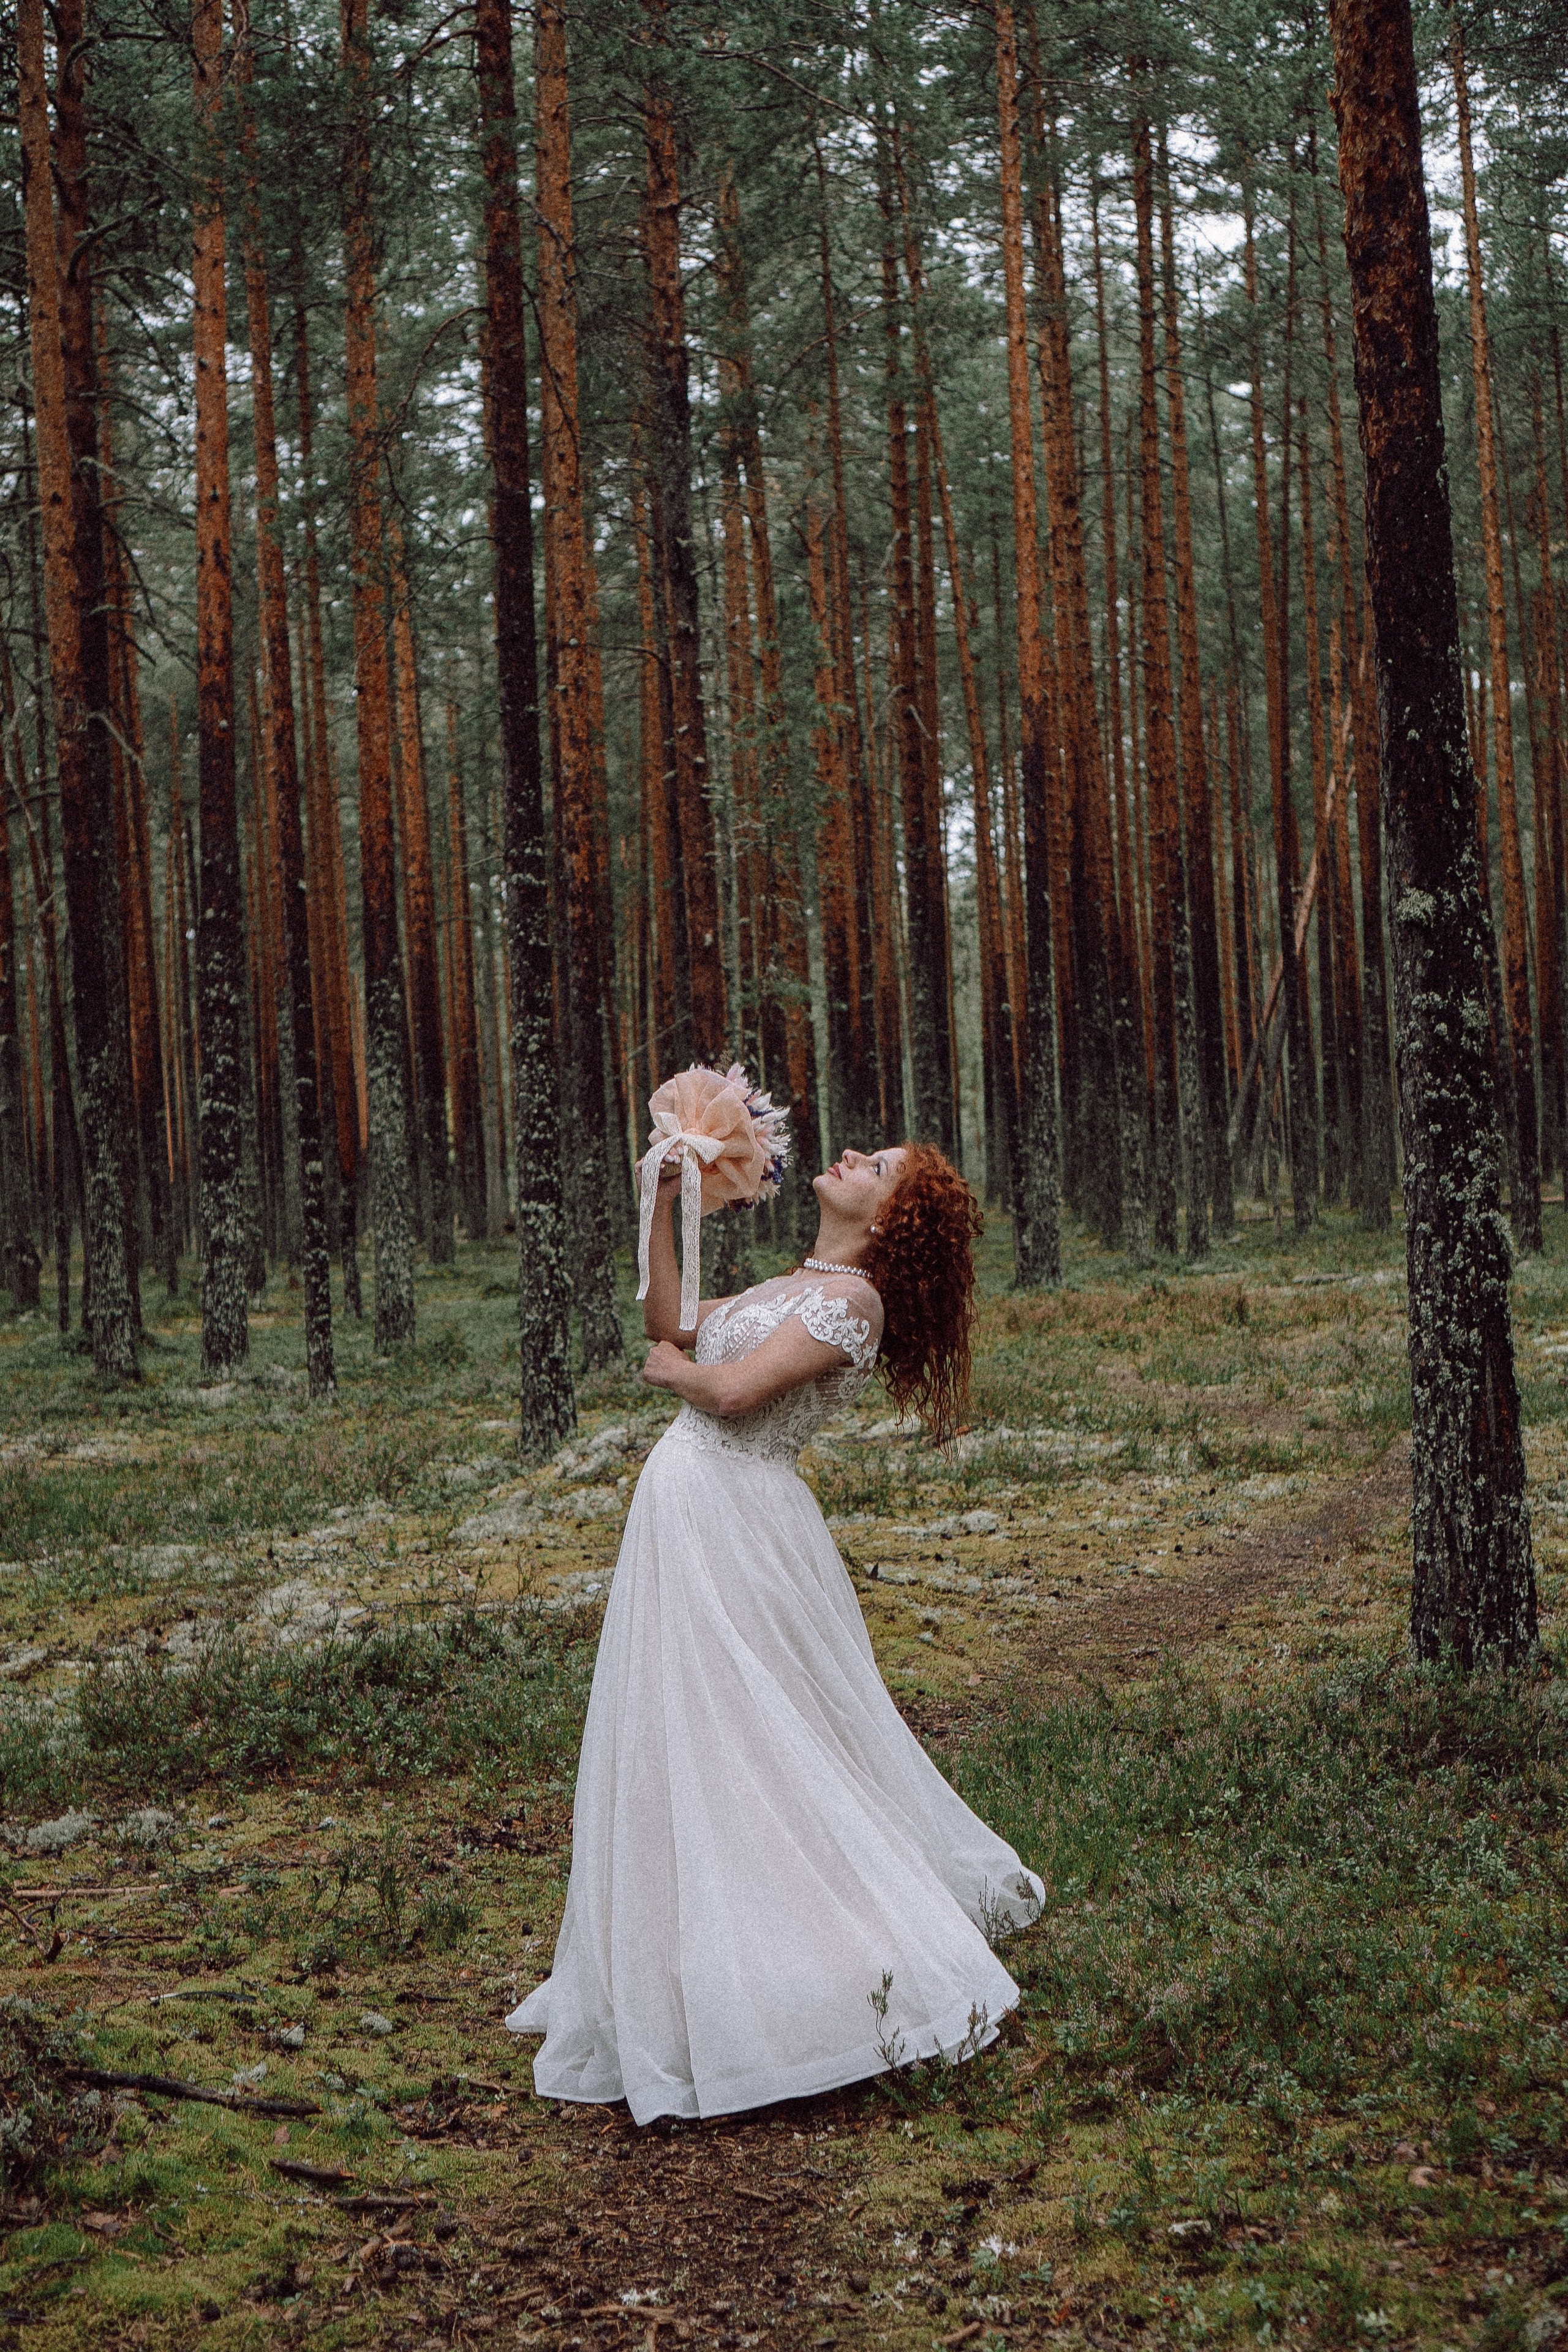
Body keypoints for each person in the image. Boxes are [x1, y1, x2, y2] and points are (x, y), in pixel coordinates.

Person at [506, 1141, 1043, 2124]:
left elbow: (737, 1390)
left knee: (762, 1732)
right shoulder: (798, 1281)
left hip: (739, 1522)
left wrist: (674, 1373)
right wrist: (664, 1203)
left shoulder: (857, 1304)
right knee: (689, 1731)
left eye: (876, 1164)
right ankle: (703, 1956)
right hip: (689, 1514)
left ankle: (809, 1970)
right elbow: (670, 1319)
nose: (849, 1155)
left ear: (888, 1216)